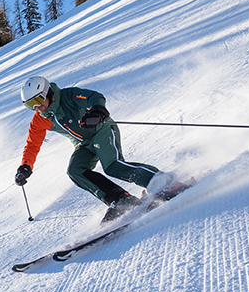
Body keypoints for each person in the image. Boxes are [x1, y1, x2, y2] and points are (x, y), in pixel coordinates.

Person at [14, 75, 167, 222]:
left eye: (38, 100)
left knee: (113, 166)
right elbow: (32, 144)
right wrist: (25, 166)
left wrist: (97, 111)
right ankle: (121, 200)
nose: (37, 107)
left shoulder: (68, 96)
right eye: (30, 105)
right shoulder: (40, 119)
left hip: (101, 130)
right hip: (83, 143)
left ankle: (161, 181)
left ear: (47, 93)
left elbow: (94, 97)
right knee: (75, 171)